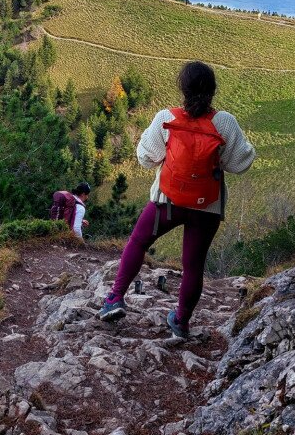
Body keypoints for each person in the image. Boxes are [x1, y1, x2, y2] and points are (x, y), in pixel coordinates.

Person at [98, 61, 255, 340]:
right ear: (213, 90)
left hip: (166, 201)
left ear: (182, 88)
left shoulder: (166, 118)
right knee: (193, 266)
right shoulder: (225, 122)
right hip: (206, 207)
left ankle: (115, 298)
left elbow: (146, 158)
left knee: (138, 242)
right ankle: (181, 321)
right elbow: (239, 163)